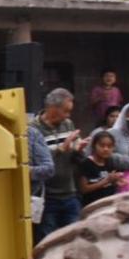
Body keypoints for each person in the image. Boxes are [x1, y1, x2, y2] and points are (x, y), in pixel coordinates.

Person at [32, 88, 87, 242]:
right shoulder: (33, 130)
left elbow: (76, 156)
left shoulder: (68, 124)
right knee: (48, 242)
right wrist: (61, 149)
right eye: (66, 111)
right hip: (47, 197)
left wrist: (79, 150)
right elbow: (34, 163)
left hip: (70, 193)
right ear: (52, 109)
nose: (68, 116)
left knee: (75, 240)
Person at [76, 131, 129, 207]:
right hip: (92, 206)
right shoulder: (87, 163)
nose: (106, 149)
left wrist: (116, 181)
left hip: (108, 205)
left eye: (109, 146)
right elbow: (83, 189)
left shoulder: (110, 162)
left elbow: (109, 182)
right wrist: (106, 181)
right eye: (102, 146)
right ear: (94, 146)